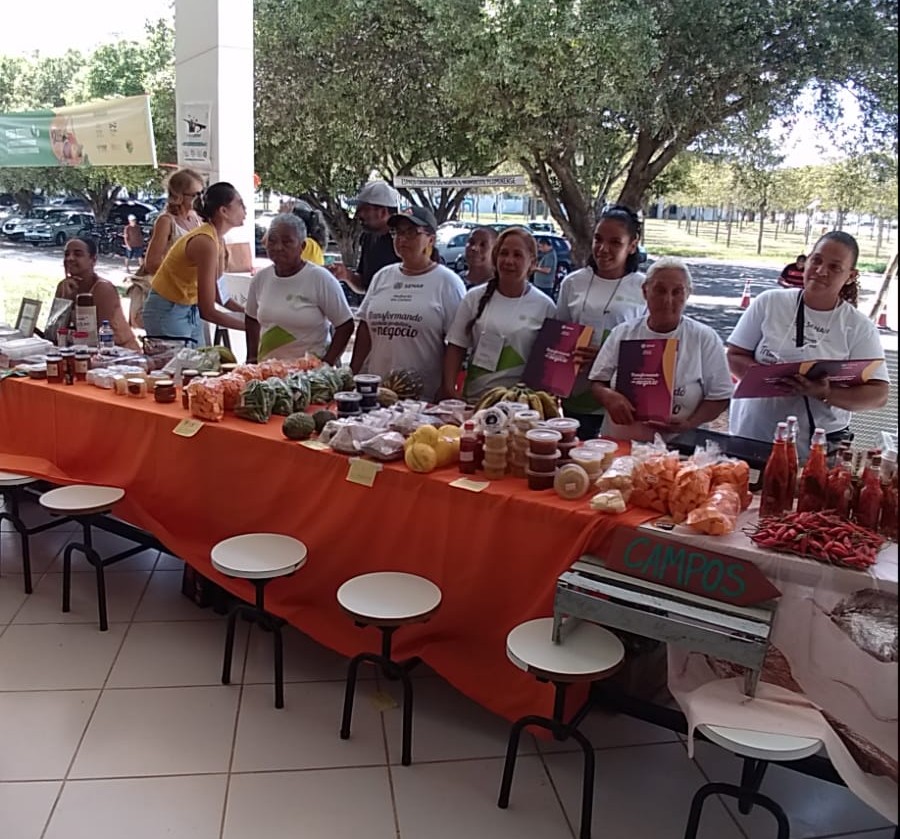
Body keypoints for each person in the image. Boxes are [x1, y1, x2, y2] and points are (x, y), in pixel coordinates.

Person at [728, 231, 889, 457]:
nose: (821, 271)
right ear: (806, 261)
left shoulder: (858, 326)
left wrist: (825, 393)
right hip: (752, 434)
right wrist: (767, 378)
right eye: (817, 260)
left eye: (835, 267)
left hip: (815, 448)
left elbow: (878, 394)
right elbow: (734, 355)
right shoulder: (770, 302)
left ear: (851, 275)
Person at [589, 257, 733, 441]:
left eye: (677, 292)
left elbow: (720, 396)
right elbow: (597, 381)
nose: (668, 299)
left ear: (688, 294)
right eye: (660, 290)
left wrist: (690, 423)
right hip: (622, 444)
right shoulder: (623, 333)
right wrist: (608, 397)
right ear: (645, 291)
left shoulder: (704, 338)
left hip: (677, 448)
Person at [350, 205, 465, 402]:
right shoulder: (383, 276)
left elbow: (456, 344)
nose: (402, 239)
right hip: (376, 394)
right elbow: (365, 329)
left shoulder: (447, 283)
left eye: (412, 232)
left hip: (422, 400)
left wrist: (447, 388)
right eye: (397, 232)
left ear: (431, 239)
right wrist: (353, 373)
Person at [555, 205, 647, 439]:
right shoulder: (572, 283)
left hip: (621, 401)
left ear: (633, 244)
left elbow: (650, 350)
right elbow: (559, 338)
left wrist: (605, 360)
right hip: (575, 398)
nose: (603, 249)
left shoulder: (644, 287)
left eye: (615, 242)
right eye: (598, 239)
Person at [443, 227, 555, 401]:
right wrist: (450, 389)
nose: (509, 261)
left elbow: (550, 366)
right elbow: (456, 346)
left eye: (517, 255)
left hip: (521, 408)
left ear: (532, 261)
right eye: (504, 253)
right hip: (475, 402)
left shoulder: (545, 306)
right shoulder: (473, 297)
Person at [141, 182, 247, 347]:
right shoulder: (204, 241)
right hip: (168, 310)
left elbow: (220, 294)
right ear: (223, 211)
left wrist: (249, 314)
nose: (245, 209)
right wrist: (251, 327)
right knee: (180, 370)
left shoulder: (216, 238)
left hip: (188, 309)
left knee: (199, 368)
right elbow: (208, 311)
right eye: (240, 204)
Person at [245, 214, 353, 365]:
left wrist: (325, 365)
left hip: (308, 377)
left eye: (287, 242)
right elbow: (251, 318)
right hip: (269, 374)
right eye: (272, 240)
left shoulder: (320, 278)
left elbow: (345, 325)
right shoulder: (260, 279)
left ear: (302, 247)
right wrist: (251, 359)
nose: (278, 247)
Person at [129, 168, 205, 329]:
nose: (200, 199)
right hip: (170, 299)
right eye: (195, 195)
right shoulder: (166, 221)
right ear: (178, 196)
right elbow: (152, 263)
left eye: (202, 193)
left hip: (190, 298)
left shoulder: (197, 219)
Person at [55, 237, 139, 350]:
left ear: (93, 260)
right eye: (66, 254)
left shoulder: (103, 289)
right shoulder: (63, 286)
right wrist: (65, 300)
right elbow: (55, 331)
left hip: (119, 352)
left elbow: (92, 336)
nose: (70, 258)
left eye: (78, 254)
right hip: (81, 350)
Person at [329, 180, 401, 294]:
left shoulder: (405, 241)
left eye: (363, 209)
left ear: (382, 212)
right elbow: (365, 286)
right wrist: (346, 275)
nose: (357, 214)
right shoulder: (369, 238)